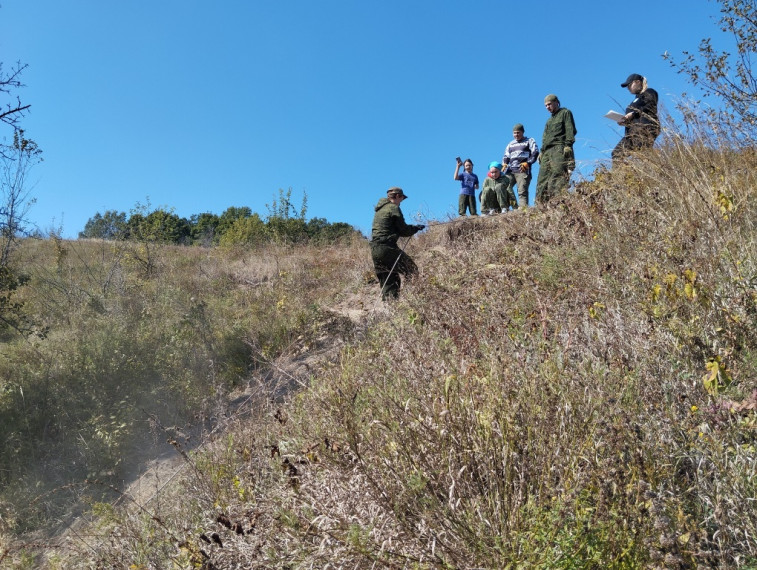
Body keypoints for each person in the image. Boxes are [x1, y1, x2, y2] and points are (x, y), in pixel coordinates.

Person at [371, 187, 425, 300]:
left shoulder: (380, 210)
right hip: (387, 248)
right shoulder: (393, 208)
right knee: (412, 270)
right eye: (401, 198)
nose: (401, 201)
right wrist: (415, 229)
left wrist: (412, 228)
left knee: (388, 280)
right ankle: (413, 300)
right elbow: (403, 230)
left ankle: (390, 309)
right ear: (397, 196)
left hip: (375, 249)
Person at [535, 94, 577, 204]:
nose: (547, 107)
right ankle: (541, 205)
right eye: (545, 106)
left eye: (549, 104)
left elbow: (570, 130)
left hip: (559, 148)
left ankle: (559, 202)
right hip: (546, 152)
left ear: (556, 102)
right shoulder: (549, 121)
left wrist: (568, 145)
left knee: (558, 176)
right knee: (542, 180)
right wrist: (542, 151)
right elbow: (545, 138)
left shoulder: (565, 113)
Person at [611, 73, 660, 163]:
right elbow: (634, 117)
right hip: (632, 133)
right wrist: (624, 121)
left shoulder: (649, 92)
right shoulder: (634, 101)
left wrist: (633, 113)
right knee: (616, 153)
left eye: (629, 85)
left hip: (645, 129)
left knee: (644, 155)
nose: (628, 88)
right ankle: (625, 176)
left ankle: (653, 170)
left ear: (637, 82)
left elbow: (650, 106)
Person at [502, 123, 539, 209]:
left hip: (523, 170)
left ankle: (523, 209)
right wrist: (505, 163)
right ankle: (511, 207)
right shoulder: (511, 144)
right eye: (514, 133)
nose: (516, 135)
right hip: (511, 170)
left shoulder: (529, 140)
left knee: (522, 191)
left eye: (518, 132)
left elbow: (535, 152)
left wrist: (528, 163)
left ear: (522, 132)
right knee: (505, 186)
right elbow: (506, 155)